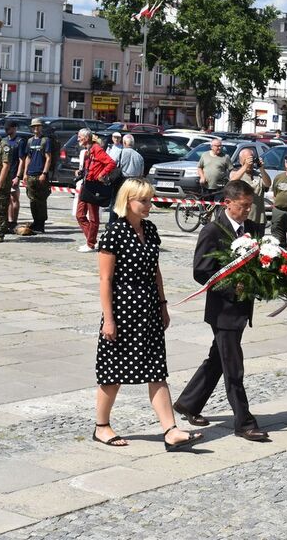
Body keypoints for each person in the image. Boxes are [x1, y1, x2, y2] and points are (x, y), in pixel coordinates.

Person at [94, 178, 202, 451]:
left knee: (157, 370)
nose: (148, 204)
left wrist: (163, 305)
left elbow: (156, 271)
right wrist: (109, 318)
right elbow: (105, 280)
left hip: (149, 309)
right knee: (113, 371)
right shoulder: (114, 233)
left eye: (149, 199)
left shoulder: (151, 230)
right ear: (127, 201)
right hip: (122, 309)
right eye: (142, 200)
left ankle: (170, 430)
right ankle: (102, 426)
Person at [174, 180, 269, 442]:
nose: (247, 211)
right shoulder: (213, 230)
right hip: (223, 311)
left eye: (250, 206)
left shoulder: (251, 229)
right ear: (228, 203)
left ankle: (188, 403)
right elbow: (201, 270)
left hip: (242, 308)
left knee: (218, 359)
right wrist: (232, 287)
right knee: (233, 368)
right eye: (243, 206)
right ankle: (244, 423)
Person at [76, 129, 117, 253]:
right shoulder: (87, 151)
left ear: (87, 137)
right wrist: (80, 172)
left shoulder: (96, 149)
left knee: (93, 217)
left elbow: (111, 163)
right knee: (80, 215)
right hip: (86, 184)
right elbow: (90, 168)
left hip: (94, 186)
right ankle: (92, 240)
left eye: (80, 137)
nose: (78, 139)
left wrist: (102, 174)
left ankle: (90, 243)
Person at [229, 147, 271, 238]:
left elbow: (268, 184)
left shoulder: (258, 175)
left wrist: (261, 168)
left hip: (259, 218)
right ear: (241, 161)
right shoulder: (237, 173)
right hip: (243, 218)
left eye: (251, 158)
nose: (250, 162)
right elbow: (232, 181)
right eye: (247, 159)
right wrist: (245, 166)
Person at [21, 118, 52, 233]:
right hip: (30, 174)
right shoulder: (30, 141)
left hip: (40, 174)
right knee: (32, 200)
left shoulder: (45, 140)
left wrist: (44, 173)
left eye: (38, 126)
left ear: (41, 127)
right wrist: (25, 173)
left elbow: (49, 158)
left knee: (41, 200)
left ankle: (41, 223)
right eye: (34, 127)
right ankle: (35, 221)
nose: (36, 128)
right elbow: (28, 157)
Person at [269, 154, 287, 247]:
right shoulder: (278, 177)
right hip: (278, 211)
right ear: (285, 163)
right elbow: (275, 194)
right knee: (277, 241)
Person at [4, 121, 26, 232]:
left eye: (9, 128)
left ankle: (14, 222)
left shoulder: (19, 141)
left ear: (14, 128)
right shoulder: (4, 141)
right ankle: (9, 221)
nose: (6, 130)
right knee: (7, 199)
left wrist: (18, 176)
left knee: (14, 198)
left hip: (13, 174)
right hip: (5, 175)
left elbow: (22, 160)